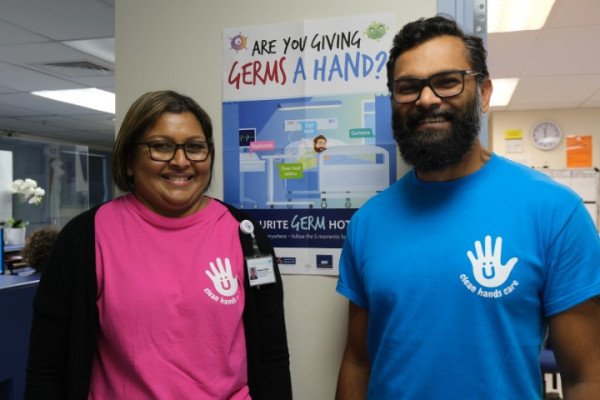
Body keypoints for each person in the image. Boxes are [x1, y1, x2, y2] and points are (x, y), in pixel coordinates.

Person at [335, 15, 600, 399]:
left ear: (484, 92)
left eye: (447, 81)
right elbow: (359, 360)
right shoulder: (367, 224)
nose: (426, 99)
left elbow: (585, 377)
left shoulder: (555, 212)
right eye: (408, 87)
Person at [25, 90, 292, 399]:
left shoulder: (245, 235)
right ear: (128, 160)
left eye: (195, 147)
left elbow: (272, 356)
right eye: (161, 147)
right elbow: (46, 368)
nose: (181, 161)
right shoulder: (84, 238)